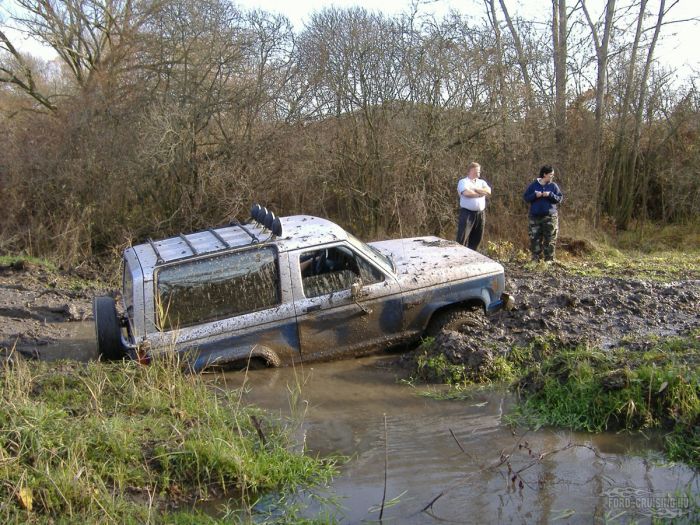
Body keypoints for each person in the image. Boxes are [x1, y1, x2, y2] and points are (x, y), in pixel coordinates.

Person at [523, 165, 564, 262]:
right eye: (550, 174)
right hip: (535, 217)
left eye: (552, 175)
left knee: (550, 239)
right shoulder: (533, 185)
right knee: (535, 239)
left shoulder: (553, 186)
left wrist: (550, 194)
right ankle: (535, 259)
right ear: (544, 174)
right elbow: (526, 198)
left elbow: (559, 199)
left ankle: (549, 260)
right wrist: (535, 195)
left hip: (550, 217)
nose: (552, 176)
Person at [456, 162, 491, 251]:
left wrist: (475, 189)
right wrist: (480, 194)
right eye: (477, 170)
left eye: (479, 170)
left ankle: (471, 256)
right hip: (467, 214)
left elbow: (488, 191)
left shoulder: (482, 182)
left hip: (480, 214)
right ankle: (459, 256)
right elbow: (466, 193)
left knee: (477, 238)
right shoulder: (463, 181)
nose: (479, 172)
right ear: (471, 170)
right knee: (462, 238)